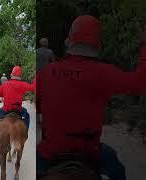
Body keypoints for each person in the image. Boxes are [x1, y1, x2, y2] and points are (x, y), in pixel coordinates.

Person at [36, 15, 146, 180]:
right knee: (117, 170)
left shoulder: (45, 73)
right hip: (90, 153)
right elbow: (141, 82)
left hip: (50, 152)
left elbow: (38, 107)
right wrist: (144, 46)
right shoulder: (104, 73)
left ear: (70, 41)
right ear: (98, 43)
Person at [0, 66, 36, 139]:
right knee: (27, 116)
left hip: (6, 109)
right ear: (20, 75)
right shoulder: (23, 84)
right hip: (18, 109)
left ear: (12, 74)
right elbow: (33, 87)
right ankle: (25, 132)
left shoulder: (5, 84)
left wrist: (5, 94)